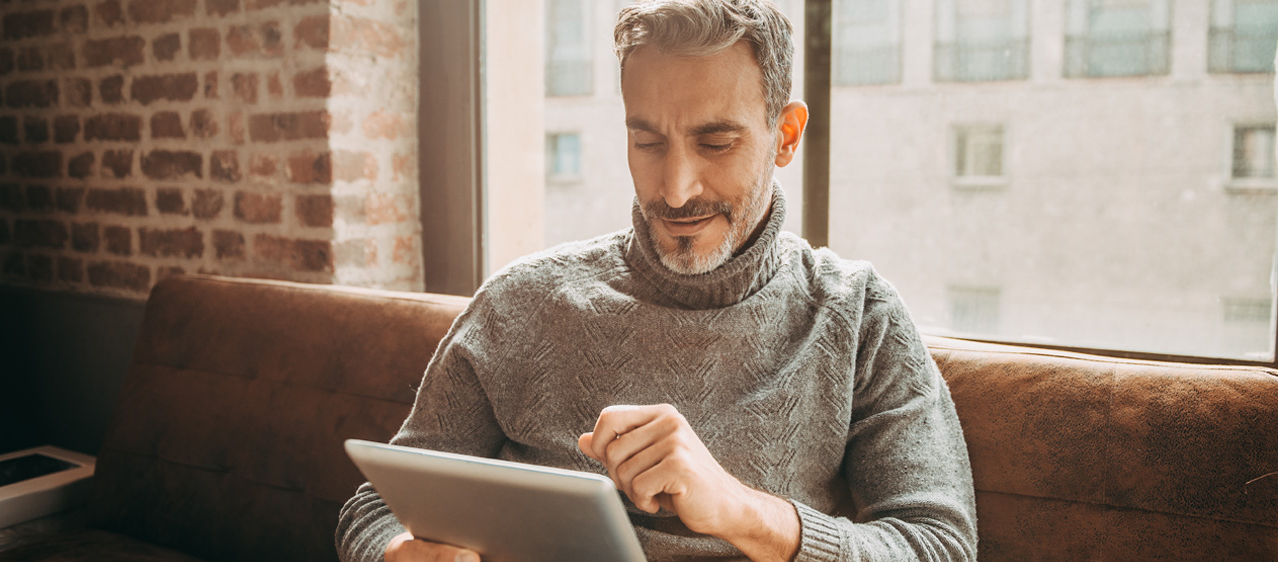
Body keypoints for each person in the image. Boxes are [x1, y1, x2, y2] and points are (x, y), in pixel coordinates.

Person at [336, 1, 977, 560]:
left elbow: (940, 546)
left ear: (785, 135)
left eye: (716, 143)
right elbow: (376, 507)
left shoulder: (856, 316)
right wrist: (399, 552)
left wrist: (740, 510)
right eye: (647, 142)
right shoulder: (520, 302)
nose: (675, 190)